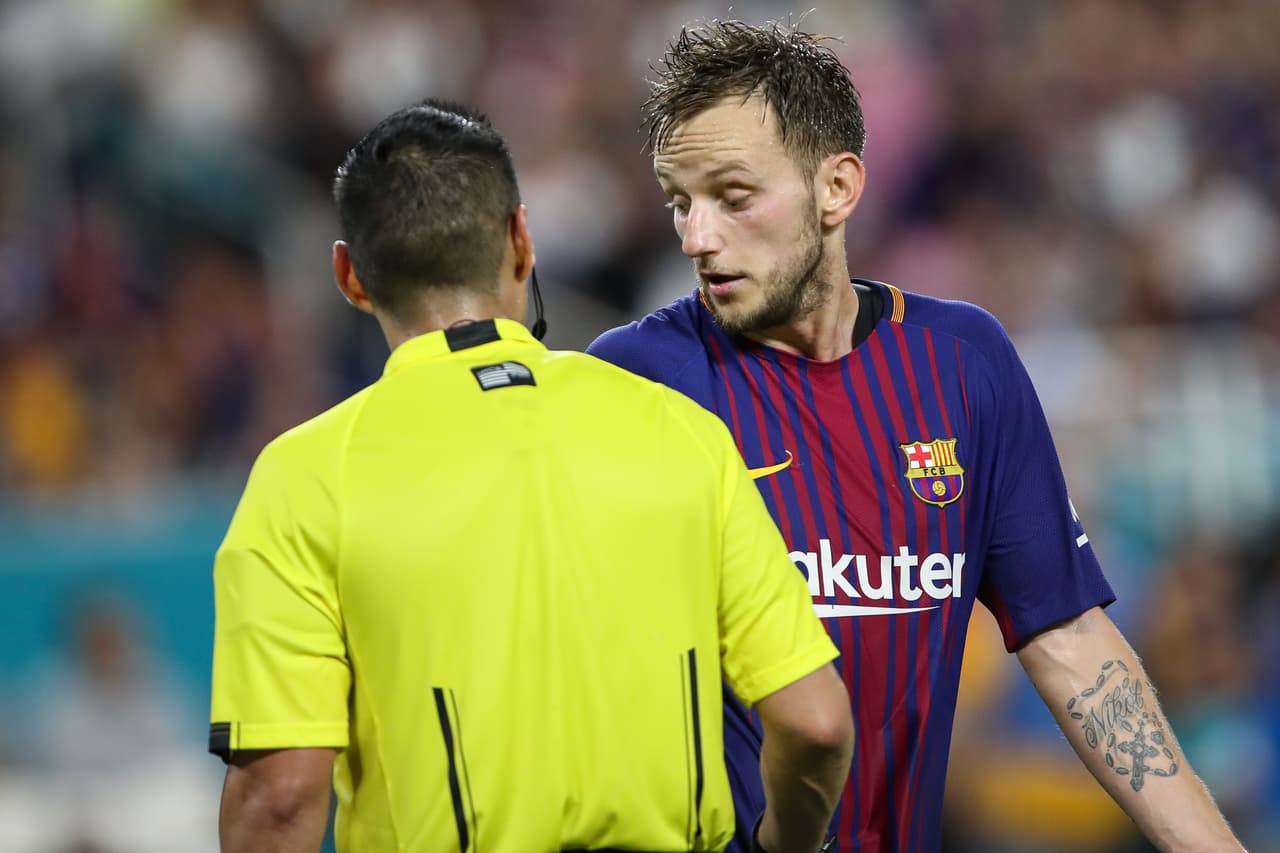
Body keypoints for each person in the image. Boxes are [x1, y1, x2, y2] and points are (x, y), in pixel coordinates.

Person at [587, 19, 1245, 853]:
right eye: (681, 202)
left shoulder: (964, 366)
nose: (697, 236)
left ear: (838, 187)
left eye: (733, 195)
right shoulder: (637, 378)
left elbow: (1068, 636)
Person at [208, 99, 854, 853]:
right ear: (521, 239)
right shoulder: (679, 431)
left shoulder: (305, 477)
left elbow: (281, 797)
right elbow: (816, 721)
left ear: (350, 275)